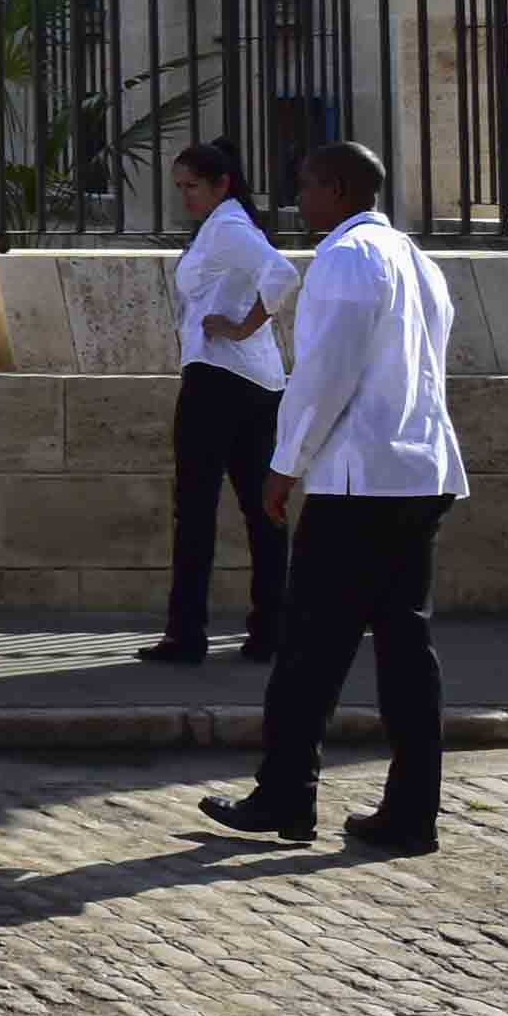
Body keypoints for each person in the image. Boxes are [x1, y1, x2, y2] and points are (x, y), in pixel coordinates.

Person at [204, 142, 466, 854]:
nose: (300, 198)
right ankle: (412, 811)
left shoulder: (349, 258)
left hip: (361, 480)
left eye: (309, 184)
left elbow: (326, 374)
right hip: (420, 472)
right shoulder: (418, 261)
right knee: (407, 650)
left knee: (310, 648)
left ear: (340, 187)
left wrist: (285, 465)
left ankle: (286, 795)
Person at [145, 138, 299, 668]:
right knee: (261, 509)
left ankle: (187, 635)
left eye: (192, 186)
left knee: (196, 509)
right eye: (180, 187)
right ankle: (270, 629)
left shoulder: (229, 228)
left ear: (221, 184)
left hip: (218, 378)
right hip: (255, 380)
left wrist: (241, 326)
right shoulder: (226, 226)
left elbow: (283, 273)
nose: (184, 197)